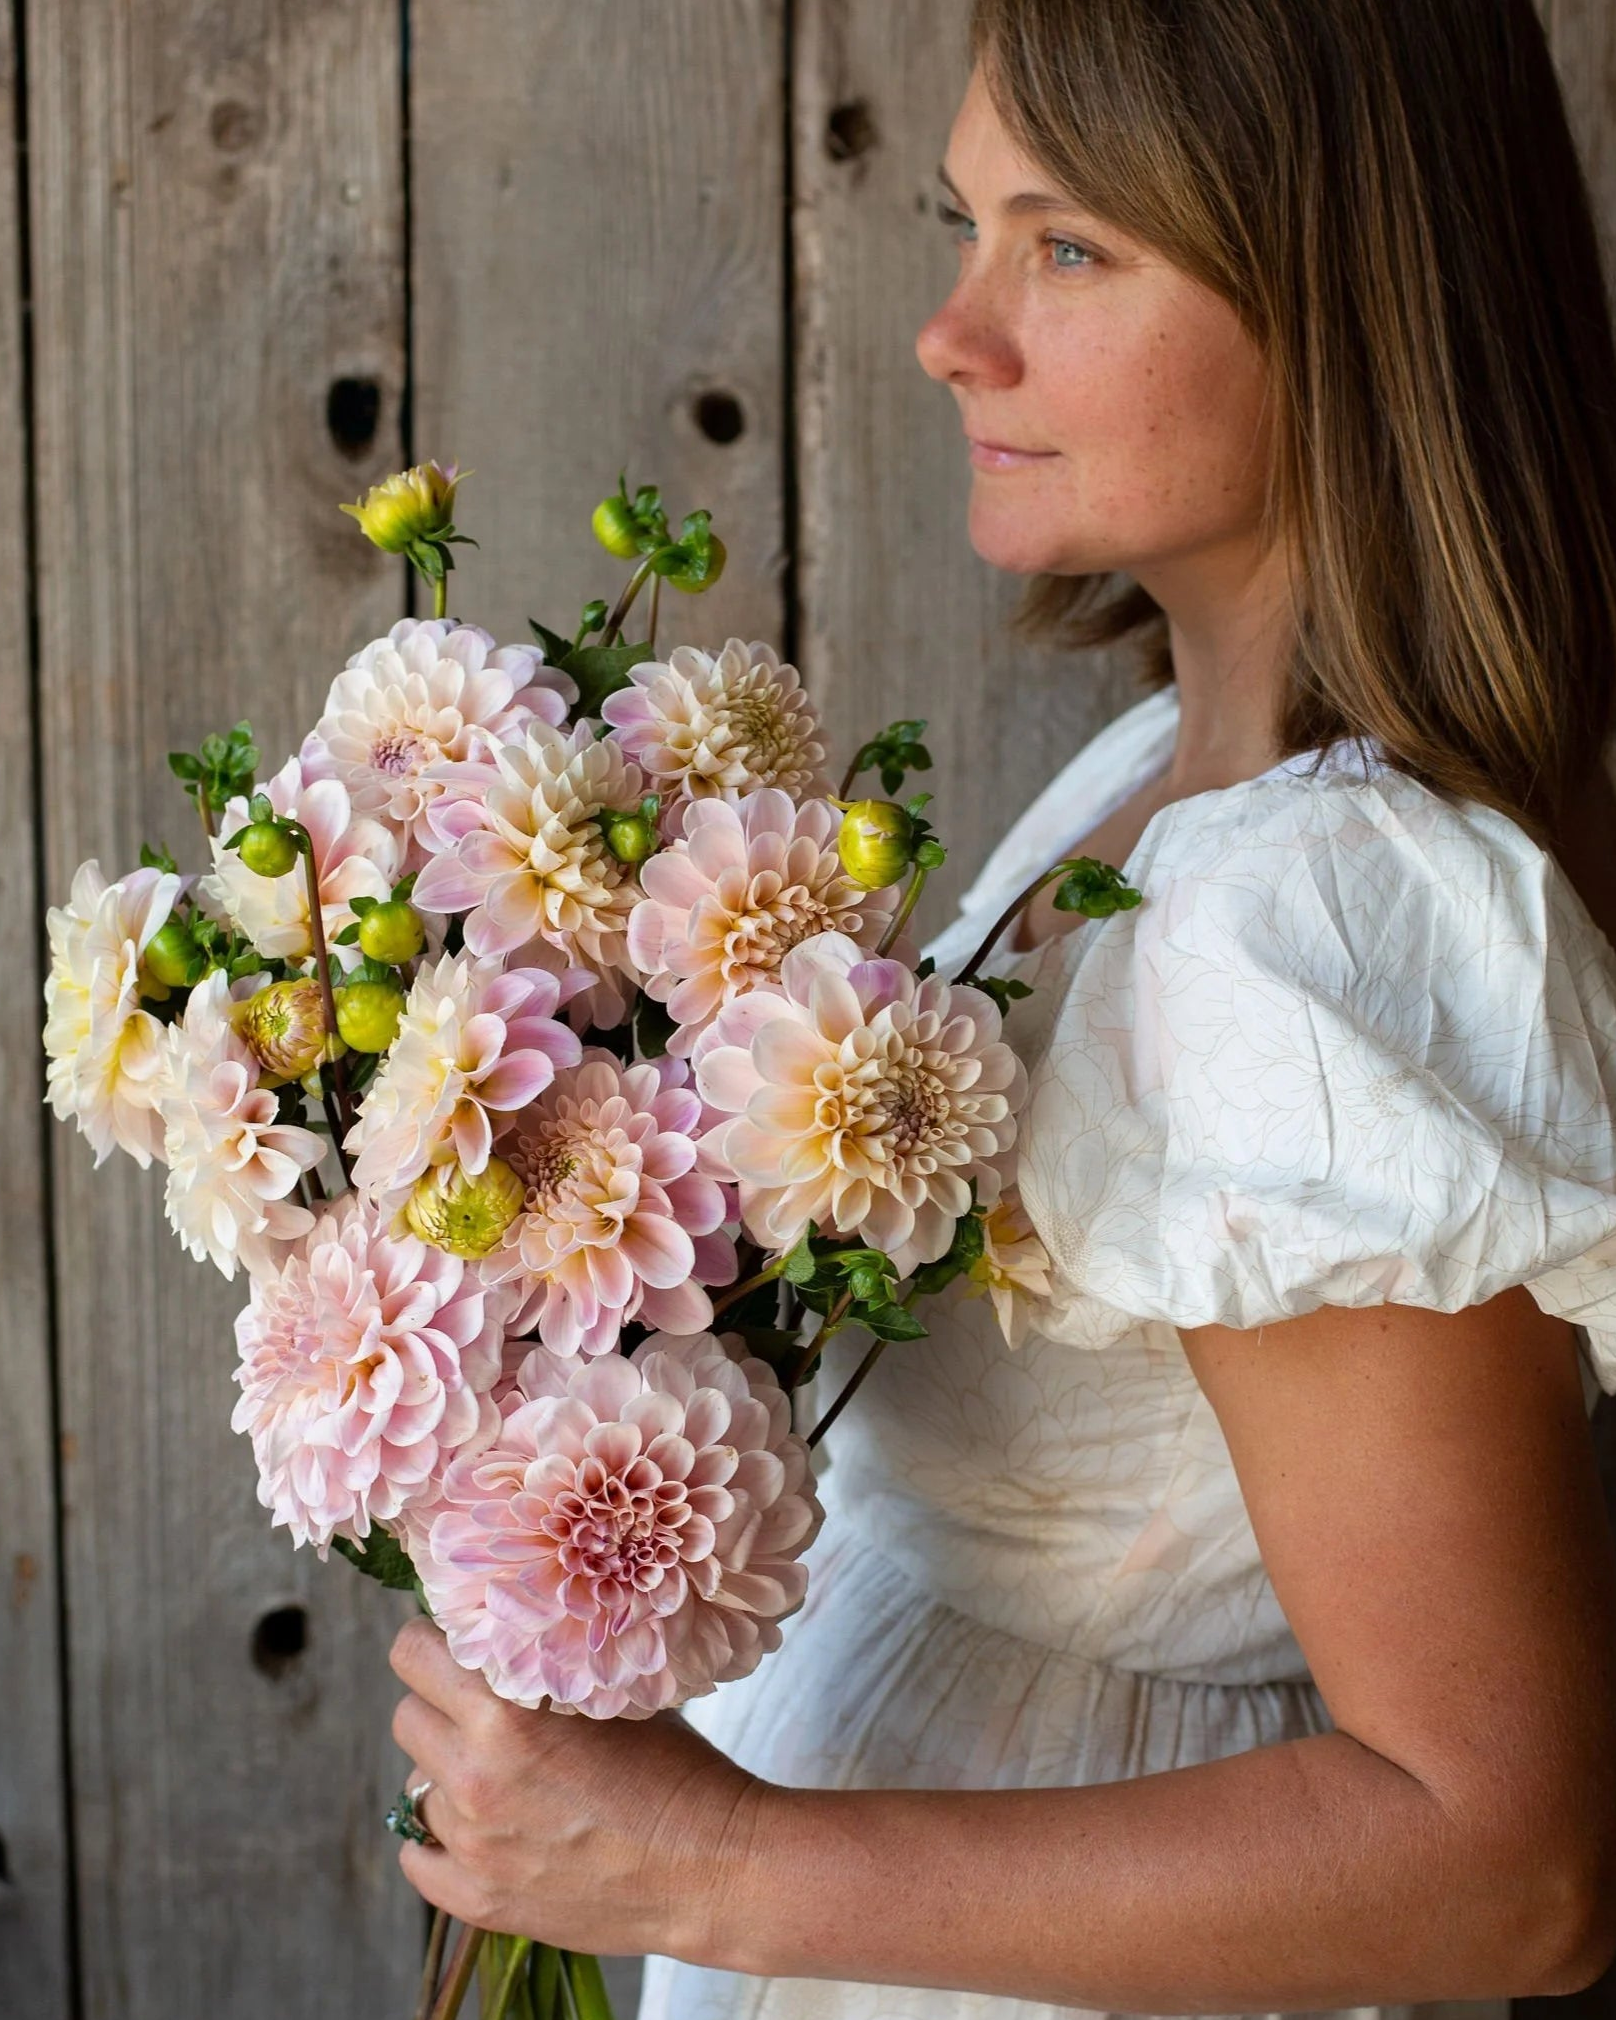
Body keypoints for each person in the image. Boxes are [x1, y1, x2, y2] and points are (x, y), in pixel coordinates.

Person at [386, 1, 1616, 2011]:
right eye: (963, 232)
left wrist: (721, 1863)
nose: (955, 338)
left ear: (1339, 286)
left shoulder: (1310, 924)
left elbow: (1505, 1855)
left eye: (1065, 248)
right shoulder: (1153, 774)